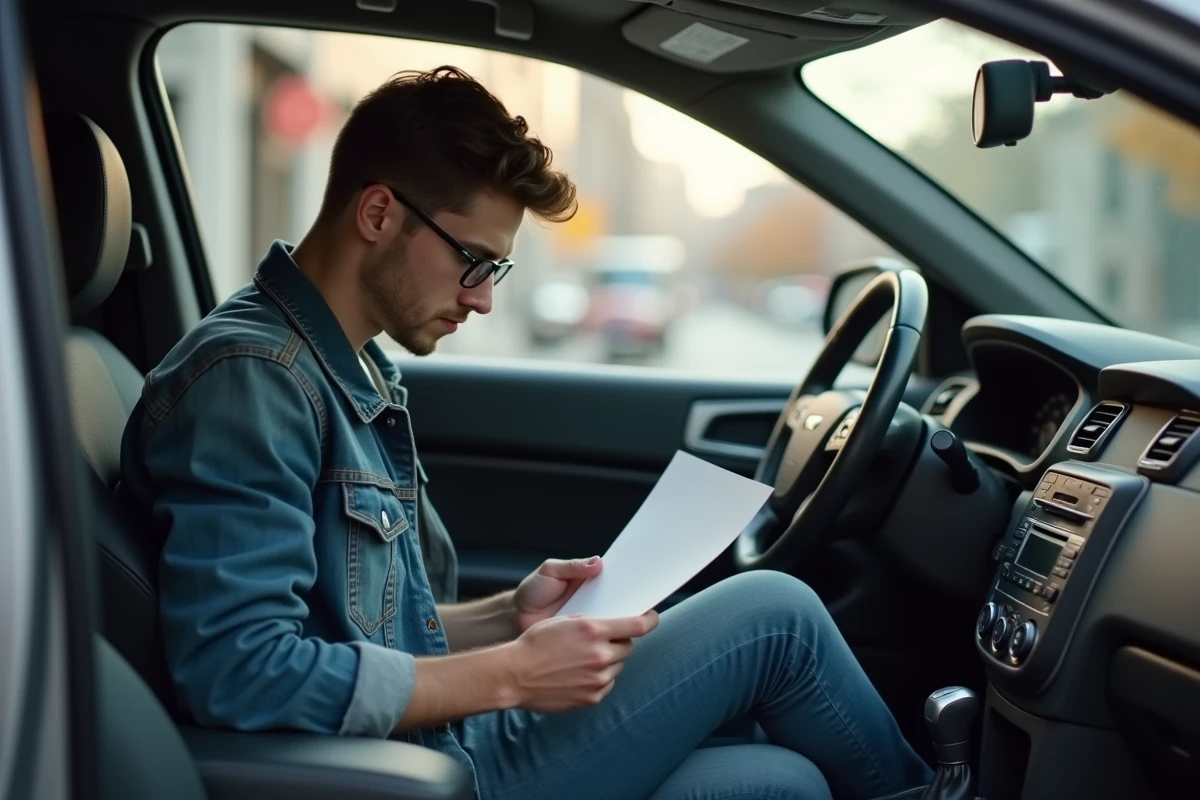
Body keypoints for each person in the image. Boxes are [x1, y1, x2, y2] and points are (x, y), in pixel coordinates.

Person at [120, 66, 933, 800]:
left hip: (441, 739)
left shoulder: (350, 369)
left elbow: (367, 627)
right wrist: (512, 676)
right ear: (377, 213)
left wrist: (510, 614)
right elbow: (241, 672)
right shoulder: (253, 379)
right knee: (777, 615)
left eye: (497, 271)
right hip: (415, 769)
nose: (483, 298)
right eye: (473, 260)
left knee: (784, 783)